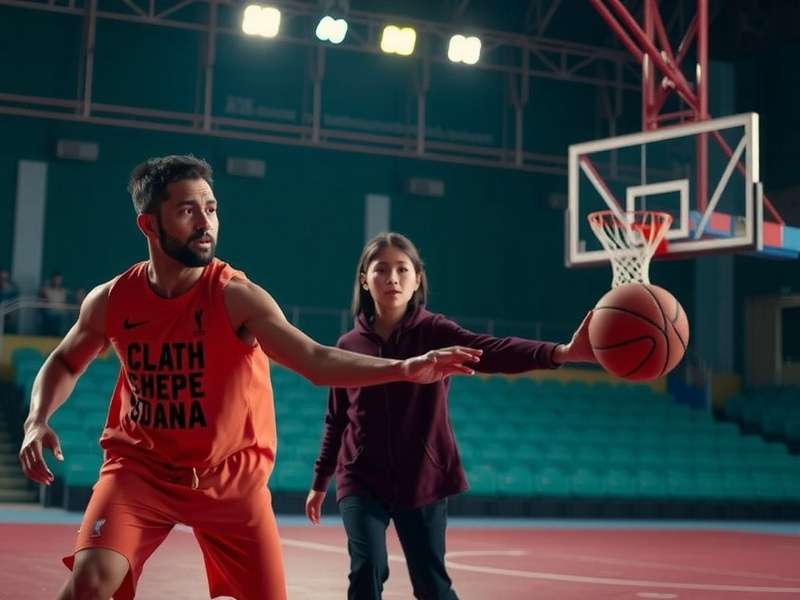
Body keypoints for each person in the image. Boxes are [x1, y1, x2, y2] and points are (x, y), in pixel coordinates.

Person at [18, 156, 482, 600]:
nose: (206, 223)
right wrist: (37, 418)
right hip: (140, 471)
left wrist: (403, 368)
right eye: (187, 211)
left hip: (231, 482)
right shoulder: (113, 300)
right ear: (148, 225)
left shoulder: (234, 296)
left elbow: (314, 361)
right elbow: (63, 361)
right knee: (90, 583)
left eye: (211, 209)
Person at [305, 232, 595, 600]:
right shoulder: (348, 346)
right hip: (361, 478)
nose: (392, 278)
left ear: (417, 279)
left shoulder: (435, 332)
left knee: (432, 585)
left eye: (402, 269)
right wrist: (320, 481)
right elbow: (337, 419)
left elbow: (493, 351)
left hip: (423, 478)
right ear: (364, 279)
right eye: (380, 270)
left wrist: (560, 353)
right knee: (367, 570)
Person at [39, 271, 70, 336]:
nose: (58, 281)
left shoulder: (63, 291)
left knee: (65, 317)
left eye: (59, 279)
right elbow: (46, 301)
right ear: (52, 279)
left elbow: (64, 304)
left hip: (61, 312)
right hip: (50, 312)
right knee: (55, 318)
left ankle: (63, 337)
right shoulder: (46, 289)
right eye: (56, 279)